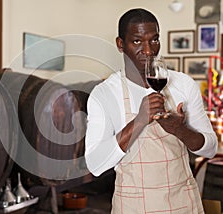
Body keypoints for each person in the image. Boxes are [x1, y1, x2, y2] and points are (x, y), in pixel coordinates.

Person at [85, 8, 218, 213]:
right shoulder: (103, 95)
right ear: (121, 44)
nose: (148, 51)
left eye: (154, 40)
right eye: (137, 41)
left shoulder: (183, 84)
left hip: (183, 202)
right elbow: (95, 164)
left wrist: (179, 130)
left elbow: (210, 148)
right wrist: (139, 121)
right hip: (133, 206)